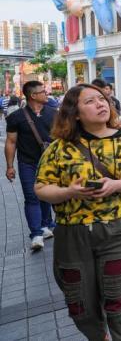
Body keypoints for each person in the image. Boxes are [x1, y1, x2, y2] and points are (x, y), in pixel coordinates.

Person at [34, 83, 121, 340]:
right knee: (79, 301)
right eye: (90, 101)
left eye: (102, 99)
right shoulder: (59, 148)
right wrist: (69, 192)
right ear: (74, 113)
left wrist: (116, 185)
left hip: (120, 229)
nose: (100, 104)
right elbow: (41, 188)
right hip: (72, 234)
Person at [5, 81, 57, 250]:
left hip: (50, 163)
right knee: (31, 196)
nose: (46, 94)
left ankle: (46, 224)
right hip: (27, 162)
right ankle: (36, 234)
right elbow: (11, 142)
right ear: (33, 95)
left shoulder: (54, 113)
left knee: (46, 194)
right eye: (43, 92)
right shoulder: (16, 117)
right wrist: (10, 166)